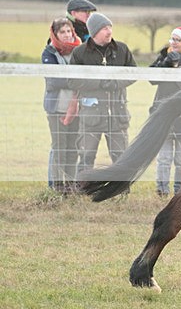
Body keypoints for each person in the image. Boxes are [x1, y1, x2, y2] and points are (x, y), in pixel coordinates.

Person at [68, 12, 137, 173]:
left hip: (117, 115)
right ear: (94, 32)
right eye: (104, 28)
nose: (109, 31)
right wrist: (98, 83)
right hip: (91, 117)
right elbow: (72, 81)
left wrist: (116, 83)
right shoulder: (80, 53)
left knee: (121, 158)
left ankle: (120, 187)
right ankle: (82, 186)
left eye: (110, 27)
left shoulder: (122, 49)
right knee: (86, 157)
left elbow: (134, 74)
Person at [150, 26, 181, 196]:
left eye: (178, 40)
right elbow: (151, 78)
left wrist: (178, 67)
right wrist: (165, 64)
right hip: (164, 113)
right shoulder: (164, 55)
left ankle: (179, 190)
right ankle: (162, 190)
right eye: (172, 39)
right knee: (164, 158)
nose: (173, 43)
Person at [42, 17, 82, 192]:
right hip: (57, 109)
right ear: (55, 34)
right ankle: (58, 187)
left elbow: (85, 77)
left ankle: (70, 185)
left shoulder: (79, 51)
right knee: (60, 148)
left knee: (73, 148)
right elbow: (53, 81)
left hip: (77, 109)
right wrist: (75, 81)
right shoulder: (49, 53)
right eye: (62, 32)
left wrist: (73, 81)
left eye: (69, 31)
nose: (66, 35)